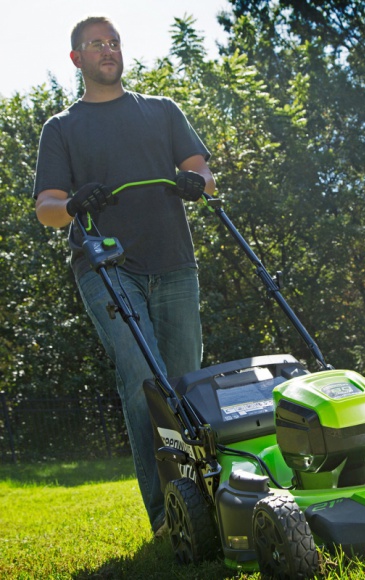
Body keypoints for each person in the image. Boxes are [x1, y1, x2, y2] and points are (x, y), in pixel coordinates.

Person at [33, 15, 215, 536]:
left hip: (174, 262)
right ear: (77, 59)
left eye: (113, 42)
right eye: (96, 44)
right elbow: (46, 206)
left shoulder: (161, 111)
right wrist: (72, 205)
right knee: (143, 382)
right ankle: (168, 517)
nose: (108, 49)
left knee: (182, 380)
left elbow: (201, 169)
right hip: (105, 269)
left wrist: (195, 182)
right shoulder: (62, 127)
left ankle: (203, 495)